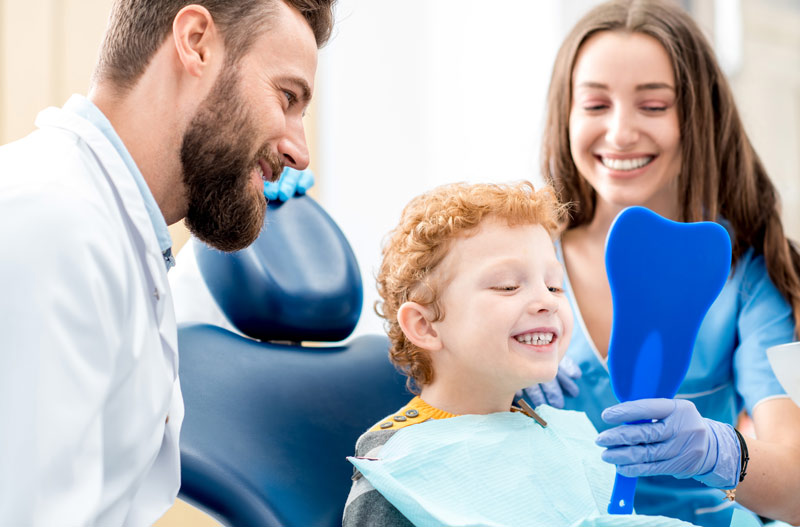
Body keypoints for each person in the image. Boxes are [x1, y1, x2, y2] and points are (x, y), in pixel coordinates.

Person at [0, 0, 334, 524]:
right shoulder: (50, 224)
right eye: (286, 97)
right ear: (196, 41)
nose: (299, 151)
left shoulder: (110, 229)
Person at [520, 1, 800, 525]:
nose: (621, 132)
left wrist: (719, 452)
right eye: (596, 105)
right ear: (567, 114)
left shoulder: (744, 278)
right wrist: (489, 379)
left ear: (696, 118)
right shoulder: (521, 258)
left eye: (653, 106)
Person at [342, 181, 705, 526]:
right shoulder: (399, 466)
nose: (547, 301)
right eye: (508, 286)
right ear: (425, 325)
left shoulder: (562, 435)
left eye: (554, 285)